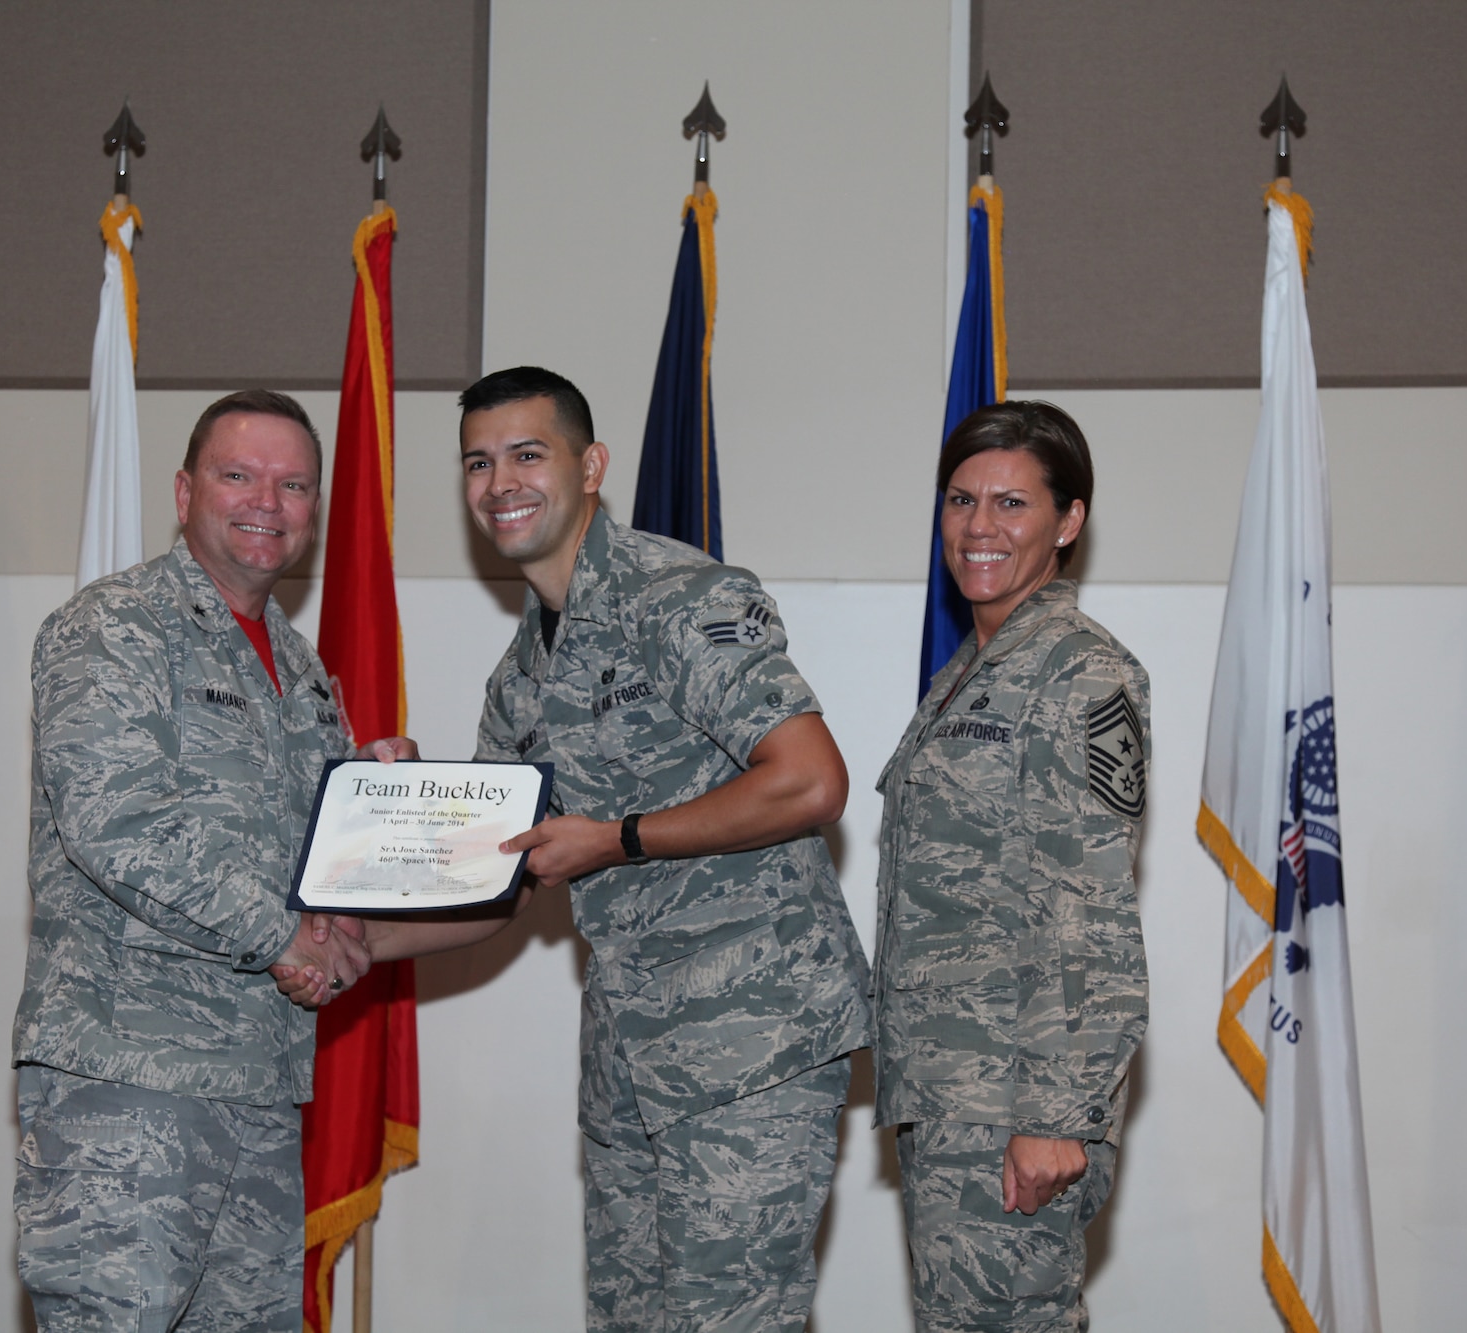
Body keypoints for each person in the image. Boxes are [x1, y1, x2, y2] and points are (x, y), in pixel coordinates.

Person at [12, 389, 523, 1331]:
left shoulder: (297, 669)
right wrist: (287, 932)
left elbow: (298, 859)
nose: (267, 502)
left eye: (294, 485)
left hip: (260, 1087)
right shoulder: (116, 629)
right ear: (183, 490)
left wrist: (377, 803)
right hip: (134, 1082)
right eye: (238, 475)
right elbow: (116, 824)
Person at [459, 366, 872, 1332]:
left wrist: (616, 840)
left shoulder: (679, 597)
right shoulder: (522, 674)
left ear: (591, 465)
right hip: (628, 1058)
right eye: (478, 463)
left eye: (528, 453)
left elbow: (810, 780)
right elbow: (488, 873)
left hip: (747, 1040)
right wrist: (338, 925)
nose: (500, 482)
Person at [874, 400, 1150, 1331]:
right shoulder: (971, 671)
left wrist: (1057, 1113)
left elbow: (1088, 901)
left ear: (1068, 521)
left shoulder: (1077, 672)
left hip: (1013, 1101)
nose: (978, 527)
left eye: (1011, 504)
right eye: (959, 501)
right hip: (954, 1091)